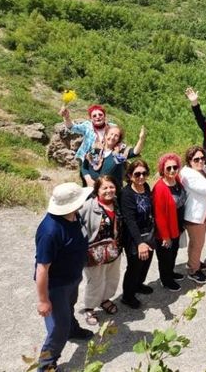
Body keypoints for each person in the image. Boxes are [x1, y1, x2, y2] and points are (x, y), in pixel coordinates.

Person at [35, 182, 94, 371]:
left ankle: (72, 330)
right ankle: (45, 365)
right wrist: (43, 301)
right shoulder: (50, 231)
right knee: (57, 328)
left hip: (72, 278)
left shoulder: (74, 216)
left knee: (69, 308)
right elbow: (42, 268)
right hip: (56, 286)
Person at [79, 176, 122, 325]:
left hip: (113, 250)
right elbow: (76, 224)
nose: (109, 190)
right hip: (94, 253)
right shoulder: (89, 206)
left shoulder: (116, 203)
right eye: (104, 188)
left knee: (112, 277)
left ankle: (105, 299)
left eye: (111, 187)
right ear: (97, 190)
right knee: (95, 281)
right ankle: (89, 308)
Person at [120, 160, 155, 309]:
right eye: (137, 174)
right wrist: (140, 242)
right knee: (134, 266)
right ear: (129, 175)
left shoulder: (146, 187)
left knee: (146, 262)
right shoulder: (126, 194)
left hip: (148, 232)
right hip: (134, 236)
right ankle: (127, 296)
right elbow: (130, 220)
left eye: (144, 173)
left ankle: (138, 285)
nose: (141, 177)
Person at [180, 146, 206, 284]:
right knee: (197, 244)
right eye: (196, 159)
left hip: (203, 215)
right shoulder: (188, 174)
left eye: (202, 158)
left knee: (197, 243)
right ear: (189, 160)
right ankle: (193, 270)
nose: (200, 161)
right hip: (194, 216)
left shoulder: (197, 170)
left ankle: (194, 262)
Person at [152, 153, 186, 292]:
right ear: (162, 170)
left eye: (175, 167)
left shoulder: (176, 180)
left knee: (173, 253)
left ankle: (170, 273)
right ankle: (166, 280)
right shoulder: (160, 188)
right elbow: (159, 216)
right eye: (169, 168)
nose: (172, 170)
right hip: (165, 231)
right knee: (165, 257)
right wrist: (165, 236)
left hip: (177, 226)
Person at [59, 104, 116, 184]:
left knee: (105, 183)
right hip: (87, 161)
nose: (98, 117)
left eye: (100, 114)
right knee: (88, 184)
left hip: (105, 159)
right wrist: (66, 117)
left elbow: (119, 140)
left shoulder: (112, 127)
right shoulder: (87, 126)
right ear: (91, 118)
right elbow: (72, 127)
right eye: (94, 115)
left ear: (104, 116)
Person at [81, 125, 146, 188]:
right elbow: (84, 167)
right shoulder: (95, 149)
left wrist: (141, 139)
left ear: (118, 139)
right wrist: (88, 179)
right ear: (106, 135)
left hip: (111, 192)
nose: (112, 137)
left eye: (116, 136)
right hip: (92, 189)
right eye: (111, 134)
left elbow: (135, 151)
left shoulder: (120, 153)